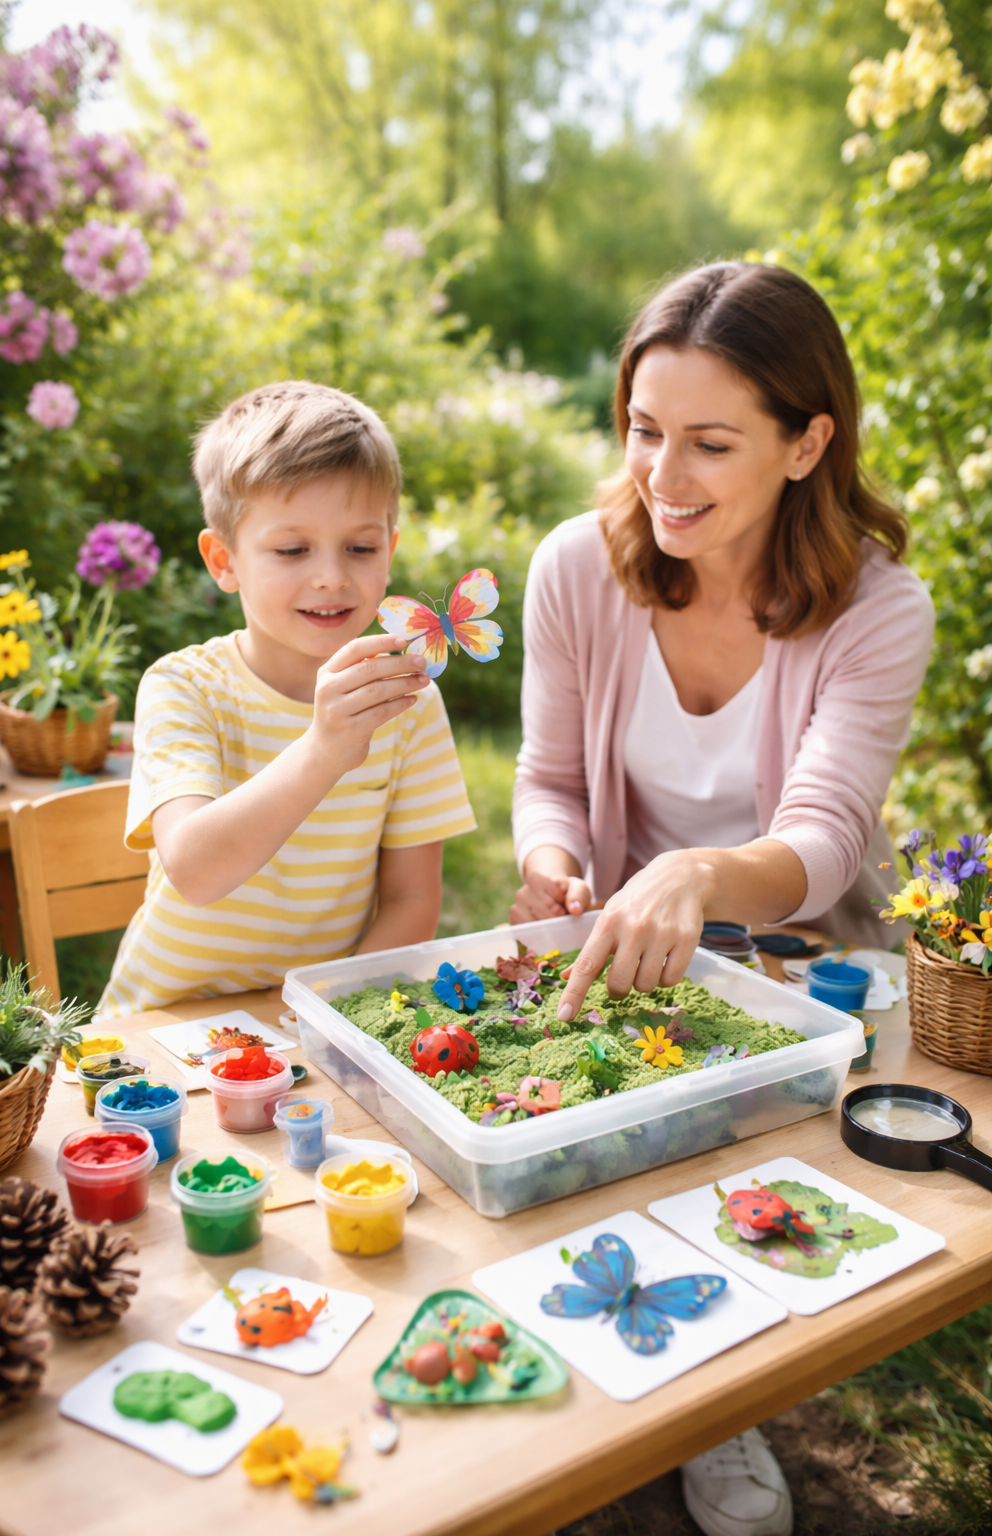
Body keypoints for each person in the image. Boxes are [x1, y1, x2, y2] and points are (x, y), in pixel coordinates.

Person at [510, 262, 934, 1536]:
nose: (663, 476)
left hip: (799, 953)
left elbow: (822, 840)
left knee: (732, 1174)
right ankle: (603, 1353)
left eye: (709, 443)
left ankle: (714, 1404)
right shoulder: (576, 571)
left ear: (808, 443)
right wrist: (552, 858)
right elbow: (542, 782)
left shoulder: (875, 607)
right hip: (616, 935)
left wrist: (691, 874)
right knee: (576, 1141)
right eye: (643, 431)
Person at [99, 380, 475, 1017]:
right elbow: (194, 869)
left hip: (315, 1017)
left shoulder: (406, 700)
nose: (331, 575)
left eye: (360, 547)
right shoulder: (184, 687)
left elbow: (413, 902)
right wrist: (325, 750)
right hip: (161, 1021)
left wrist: (320, 1004)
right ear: (224, 560)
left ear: (391, 548)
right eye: (292, 549)